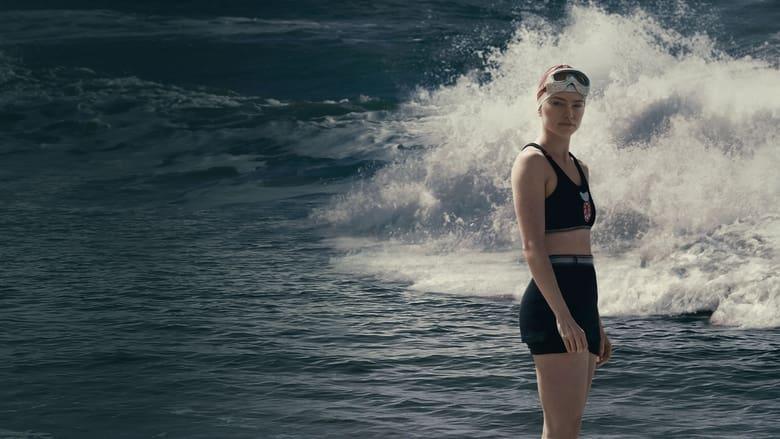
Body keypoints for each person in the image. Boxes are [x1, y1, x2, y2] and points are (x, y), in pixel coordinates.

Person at [510, 64, 613, 439]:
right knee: (561, 429)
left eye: (577, 105)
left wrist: (593, 321)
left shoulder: (580, 167)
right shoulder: (532, 162)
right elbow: (533, 248)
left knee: (569, 427)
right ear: (540, 105)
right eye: (558, 103)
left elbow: (583, 250)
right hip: (553, 304)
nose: (569, 114)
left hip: (582, 298)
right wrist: (564, 318)